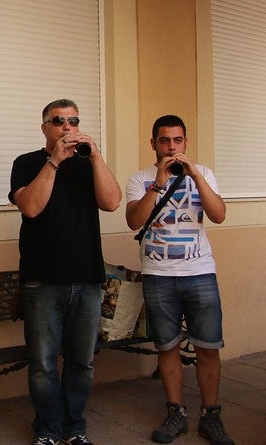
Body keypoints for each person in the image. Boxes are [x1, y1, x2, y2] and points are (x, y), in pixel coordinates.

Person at [8, 99, 121, 445]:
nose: (67, 127)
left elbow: (112, 202)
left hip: (87, 279)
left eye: (73, 120)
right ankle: (47, 428)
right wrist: (55, 161)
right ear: (44, 127)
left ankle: (74, 427)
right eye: (58, 121)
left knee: (81, 363)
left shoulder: (88, 163)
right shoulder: (27, 163)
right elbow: (30, 207)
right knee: (43, 364)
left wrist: (96, 157)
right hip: (43, 280)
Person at [125, 115, 234, 445]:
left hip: (200, 273)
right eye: (164, 141)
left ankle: (211, 416)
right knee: (167, 347)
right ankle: (176, 413)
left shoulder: (204, 174)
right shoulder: (140, 178)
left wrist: (195, 175)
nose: (171, 147)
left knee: (208, 348)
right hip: (158, 276)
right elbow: (134, 221)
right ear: (153, 144)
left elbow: (218, 215)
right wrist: (158, 184)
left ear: (185, 142)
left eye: (177, 140)